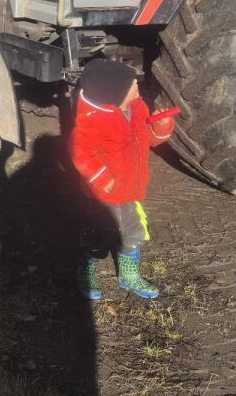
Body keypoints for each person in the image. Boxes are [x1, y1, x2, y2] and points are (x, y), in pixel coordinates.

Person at [69, 60, 176, 300]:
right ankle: (87, 266)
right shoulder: (92, 119)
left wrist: (161, 126)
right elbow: (81, 152)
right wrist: (102, 178)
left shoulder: (137, 107)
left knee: (133, 231)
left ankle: (128, 274)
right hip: (106, 193)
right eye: (132, 86)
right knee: (105, 233)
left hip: (129, 188)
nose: (138, 89)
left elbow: (148, 138)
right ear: (114, 93)